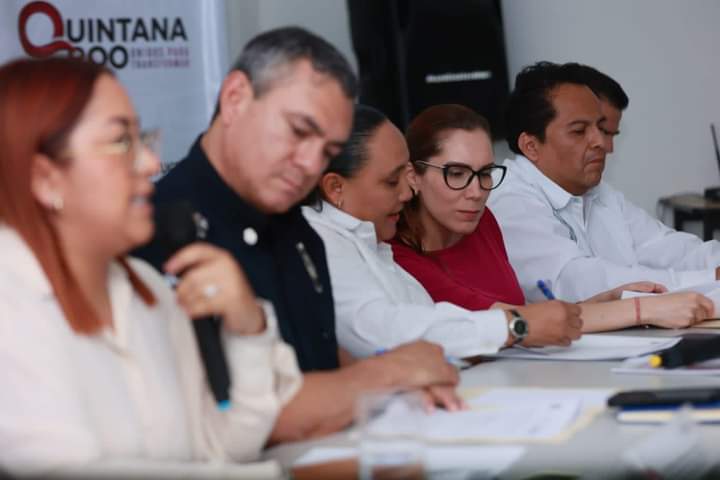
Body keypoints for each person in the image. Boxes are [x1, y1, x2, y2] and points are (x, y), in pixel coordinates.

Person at [137, 26, 463, 444]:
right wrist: (385, 374)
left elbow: (317, 354)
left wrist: (402, 387)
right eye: (298, 131)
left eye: (327, 151)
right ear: (235, 98)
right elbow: (233, 412)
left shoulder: (296, 225)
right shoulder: (162, 232)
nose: (310, 163)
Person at [0, 57, 302, 476]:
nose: (150, 164)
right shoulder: (10, 298)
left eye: (141, 139)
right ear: (45, 178)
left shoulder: (147, 288)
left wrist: (248, 328)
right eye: (120, 141)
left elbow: (220, 449)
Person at [391, 103, 714, 331]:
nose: (476, 191)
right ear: (413, 176)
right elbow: (513, 324)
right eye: (456, 174)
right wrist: (639, 309)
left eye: (485, 174)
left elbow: (526, 317)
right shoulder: (397, 254)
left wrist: (603, 302)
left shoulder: (482, 221)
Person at [303, 103, 583, 359]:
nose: (406, 193)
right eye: (391, 182)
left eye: (485, 173)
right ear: (335, 188)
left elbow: (427, 321)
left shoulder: (370, 241)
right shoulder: (319, 242)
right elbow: (382, 330)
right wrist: (516, 326)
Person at [488, 61, 720, 303]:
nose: (601, 142)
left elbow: (665, 246)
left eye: (601, 128)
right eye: (579, 131)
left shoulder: (597, 192)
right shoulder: (507, 196)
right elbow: (576, 281)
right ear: (531, 146)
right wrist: (708, 277)